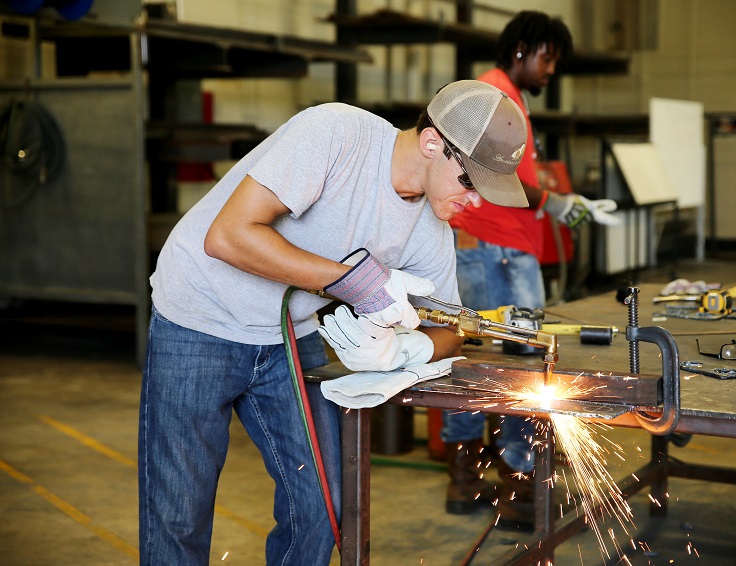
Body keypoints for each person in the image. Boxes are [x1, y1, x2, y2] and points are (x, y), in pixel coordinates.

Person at [138, 79, 530, 565]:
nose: (477, 203)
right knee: (179, 515)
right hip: (198, 317)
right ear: (433, 144)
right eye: (471, 182)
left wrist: (408, 350)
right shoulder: (336, 135)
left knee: (321, 506)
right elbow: (228, 236)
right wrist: (354, 282)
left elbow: (452, 322)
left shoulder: (431, 228)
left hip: (288, 337)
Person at [442, 11, 620, 530]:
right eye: (547, 58)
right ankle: (518, 483)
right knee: (520, 363)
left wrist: (554, 202)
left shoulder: (503, 99)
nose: (550, 71)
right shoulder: (496, 98)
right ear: (521, 49)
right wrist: (559, 202)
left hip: (490, 248)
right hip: (497, 252)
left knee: (470, 360)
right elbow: (496, 179)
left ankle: (465, 476)